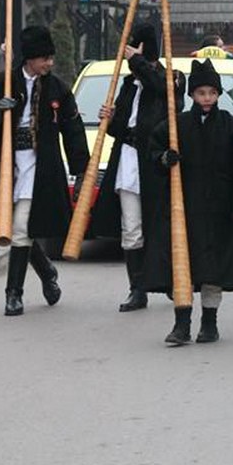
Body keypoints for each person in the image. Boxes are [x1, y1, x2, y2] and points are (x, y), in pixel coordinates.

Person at [0, 25, 89, 316]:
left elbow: (72, 129)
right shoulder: (2, 83)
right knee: (13, 227)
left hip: (39, 166)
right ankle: (47, 271)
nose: (49, 63)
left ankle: (13, 293)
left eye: (51, 58)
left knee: (21, 227)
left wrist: (80, 168)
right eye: (44, 58)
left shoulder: (57, 88)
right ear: (30, 59)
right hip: (5, 164)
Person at [147, 59, 233, 345]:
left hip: (219, 209)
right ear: (192, 95)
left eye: (212, 93)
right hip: (185, 209)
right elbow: (154, 150)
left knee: (213, 270)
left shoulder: (231, 128)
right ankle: (181, 324)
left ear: (218, 95)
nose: (206, 98)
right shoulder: (176, 126)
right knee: (183, 266)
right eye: (201, 93)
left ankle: (209, 323)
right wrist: (164, 158)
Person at [93, 21, 181, 313]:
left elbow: (162, 92)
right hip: (128, 160)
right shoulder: (129, 85)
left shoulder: (171, 78)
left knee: (161, 224)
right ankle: (137, 288)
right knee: (131, 227)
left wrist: (139, 61)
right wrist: (111, 117)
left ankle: (169, 281)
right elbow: (121, 128)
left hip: (155, 163)